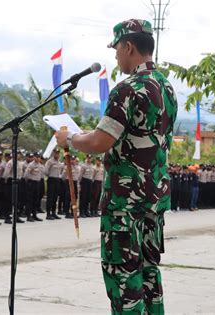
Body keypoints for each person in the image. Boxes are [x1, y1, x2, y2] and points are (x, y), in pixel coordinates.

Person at [55, 18, 177, 314]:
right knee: (149, 277)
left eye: (117, 49)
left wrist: (69, 137)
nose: (116, 56)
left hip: (125, 204)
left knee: (124, 282)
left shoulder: (128, 89)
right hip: (153, 202)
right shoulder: (167, 88)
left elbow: (100, 141)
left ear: (129, 46)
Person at [44, 149, 63, 220]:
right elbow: (45, 171)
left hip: (57, 180)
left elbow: (60, 172)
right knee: (50, 197)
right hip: (51, 180)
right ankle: (48, 214)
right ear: (53, 153)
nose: (57, 155)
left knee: (55, 197)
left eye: (58, 153)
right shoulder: (49, 161)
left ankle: (53, 213)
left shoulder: (59, 163)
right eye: (56, 153)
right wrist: (50, 175)